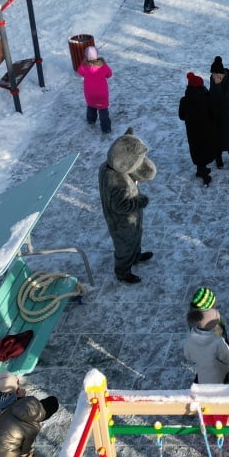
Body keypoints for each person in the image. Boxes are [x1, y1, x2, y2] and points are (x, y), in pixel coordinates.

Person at [99, 127, 157, 284]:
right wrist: (140, 201)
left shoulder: (108, 167)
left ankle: (136, 255)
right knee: (124, 247)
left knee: (136, 236)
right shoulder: (118, 182)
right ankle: (123, 272)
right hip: (122, 223)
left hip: (131, 220)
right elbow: (120, 206)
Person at [184, 297, 229, 385]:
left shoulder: (190, 338)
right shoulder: (217, 341)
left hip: (203, 377)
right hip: (219, 376)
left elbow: (188, 355)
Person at [179, 71, 216, 186]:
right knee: (204, 151)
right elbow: (213, 114)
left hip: (192, 131)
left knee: (197, 150)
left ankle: (200, 170)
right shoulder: (206, 98)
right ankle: (205, 177)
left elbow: (181, 116)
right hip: (206, 130)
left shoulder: (184, 100)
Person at [76, 45, 113, 134]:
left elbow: (79, 71)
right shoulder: (102, 65)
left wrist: (83, 62)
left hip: (90, 93)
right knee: (103, 110)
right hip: (102, 93)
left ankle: (91, 120)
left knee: (91, 106)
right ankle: (106, 128)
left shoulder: (84, 66)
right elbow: (109, 74)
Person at [208, 56, 229, 169]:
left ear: (220, 74)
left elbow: (226, 99)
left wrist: (218, 85)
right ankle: (218, 155)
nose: (212, 76)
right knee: (216, 133)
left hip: (226, 111)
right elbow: (212, 95)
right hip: (215, 111)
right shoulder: (213, 77)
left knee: (227, 134)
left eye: (214, 74)